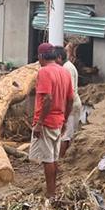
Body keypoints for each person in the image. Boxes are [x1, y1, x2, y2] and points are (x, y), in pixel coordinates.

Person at [31, 43, 73, 198]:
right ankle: (53, 190)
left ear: (41, 57)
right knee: (54, 158)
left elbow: (47, 98)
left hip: (47, 121)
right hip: (58, 120)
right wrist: (65, 120)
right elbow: (70, 99)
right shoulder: (65, 72)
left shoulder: (44, 72)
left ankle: (50, 194)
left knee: (47, 159)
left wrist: (39, 123)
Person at [54, 45, 82, 158]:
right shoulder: (66, 66)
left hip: (70, 106)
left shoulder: (67, 68)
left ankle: (61, 159)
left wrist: (64, 111)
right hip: (70, 105)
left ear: (59, 57)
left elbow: (68, 93)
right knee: (67, 134)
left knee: (65, 135)